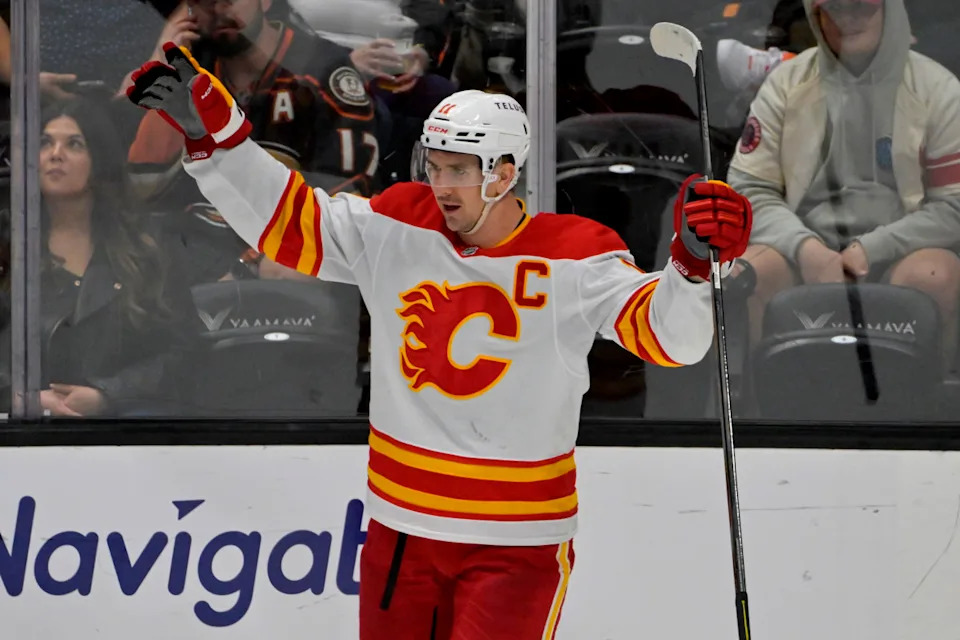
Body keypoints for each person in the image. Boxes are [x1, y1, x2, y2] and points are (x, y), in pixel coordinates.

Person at [127, 43, 752, 638]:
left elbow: (671, 339)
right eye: (436, 165)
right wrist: (219, 137)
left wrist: (692, 267)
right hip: (403, 531)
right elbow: (289, 221)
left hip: (515, 546)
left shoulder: (576, 254)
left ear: (505, 174)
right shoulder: (401, 222)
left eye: (461, 170)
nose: (442, 184)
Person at [728, 0, 960, 370]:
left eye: (860, 9)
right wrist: (807, 250)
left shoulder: (940, 91)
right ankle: (761, 419)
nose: (845, 20)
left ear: (890, 9)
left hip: (904, 250)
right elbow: (748, 189)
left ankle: (929, 416)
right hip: (800, 248)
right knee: (753, 270)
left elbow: (953, 207)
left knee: (935, 274)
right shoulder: (785, 85)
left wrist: (870, 250)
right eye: (831, 10)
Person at [128, 0, 381, 283]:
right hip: (200, 246)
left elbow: (349, 192)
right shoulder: (192, 67)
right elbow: (142, 184)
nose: (219, 11)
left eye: (229, 0)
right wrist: (159, 68)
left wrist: (249, 262)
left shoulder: (321, 67)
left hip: (288, 244)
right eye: (205, 3)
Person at [0, 98, 195, 416]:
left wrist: (110, 395)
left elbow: (182, 351)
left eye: (74, 144)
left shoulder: (144, 248)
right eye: (45, 143)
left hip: (121, 432)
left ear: (99, 161)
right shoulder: (6, 241)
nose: (55, 154)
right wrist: (20, 398)